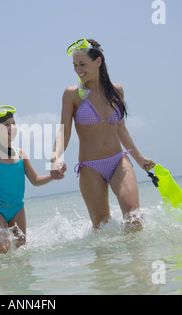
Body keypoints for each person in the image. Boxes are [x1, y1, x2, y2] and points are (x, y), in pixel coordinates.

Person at [50, 39, 155, 231]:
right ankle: (106, 263)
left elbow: (121, 129)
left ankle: (138, 261)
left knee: (134, 217)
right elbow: (64, 130)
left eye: (82, 64)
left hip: (118, 160)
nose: (78, 69)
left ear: (98, 61)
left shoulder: (116, 91)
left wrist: (139, 158)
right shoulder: (72, 94)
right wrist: (56, 156)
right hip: (91, 167)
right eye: (74, 65)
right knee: (102, 229)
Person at [0, 105, 66, 253]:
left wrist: (52, 176)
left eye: (13, 124)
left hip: (17, 208)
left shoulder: (21, 154)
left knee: (21, 248)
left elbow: (35, 179)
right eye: (6, 125)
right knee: (3, 248)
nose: (11, 128)